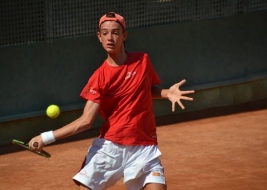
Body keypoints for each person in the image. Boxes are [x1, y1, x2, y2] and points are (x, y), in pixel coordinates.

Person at [29, 12, 195, 190]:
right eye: (105, 33)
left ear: (124, 35)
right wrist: (45, 138)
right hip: (110, 148)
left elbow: (145, 89)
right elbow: (85, 121)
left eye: (115, 32)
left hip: (144, 147)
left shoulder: (143, 61)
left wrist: (166, 93)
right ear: (99, 37)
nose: (110, 37)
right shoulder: (99, 77)